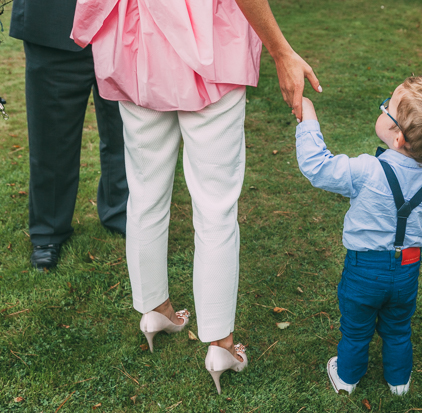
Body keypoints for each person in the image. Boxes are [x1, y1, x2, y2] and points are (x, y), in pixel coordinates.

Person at [71, 0, 320, 394]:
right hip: (206, 45)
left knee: (145, 189)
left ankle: (155, 311)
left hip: (137, 43)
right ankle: (220, 345)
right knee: (215, 206)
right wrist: (280, 50)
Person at [295, 75, 422, 395]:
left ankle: (347, 379)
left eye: (386, 109)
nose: (382, 110)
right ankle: (399, 383)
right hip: (407, 269)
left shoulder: (367, 171)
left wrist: (308, 120)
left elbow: (318, 168)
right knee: (398, 329)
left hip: (364, 269)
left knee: (356, 330)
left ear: (399, 139)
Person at [9, 0, 128, 271]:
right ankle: (49, 231)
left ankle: (123, 212)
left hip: (125, 22)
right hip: (53, 17)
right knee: (51, 138)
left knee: (127, 135)